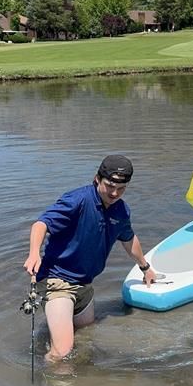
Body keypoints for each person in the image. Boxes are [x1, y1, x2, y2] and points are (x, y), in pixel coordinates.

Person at [23, 154, 156, 362]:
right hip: (57, 280)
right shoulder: (77, 200)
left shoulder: (121, 211)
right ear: (97, 178)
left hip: (85, 285)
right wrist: (34, 253)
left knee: (85, 337)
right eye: (110, 186)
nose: (114, 193)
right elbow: (41, 224)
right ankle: (51, 381)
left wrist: (145, 268)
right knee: (62, 353)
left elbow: (129, 239)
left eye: (121, 188)